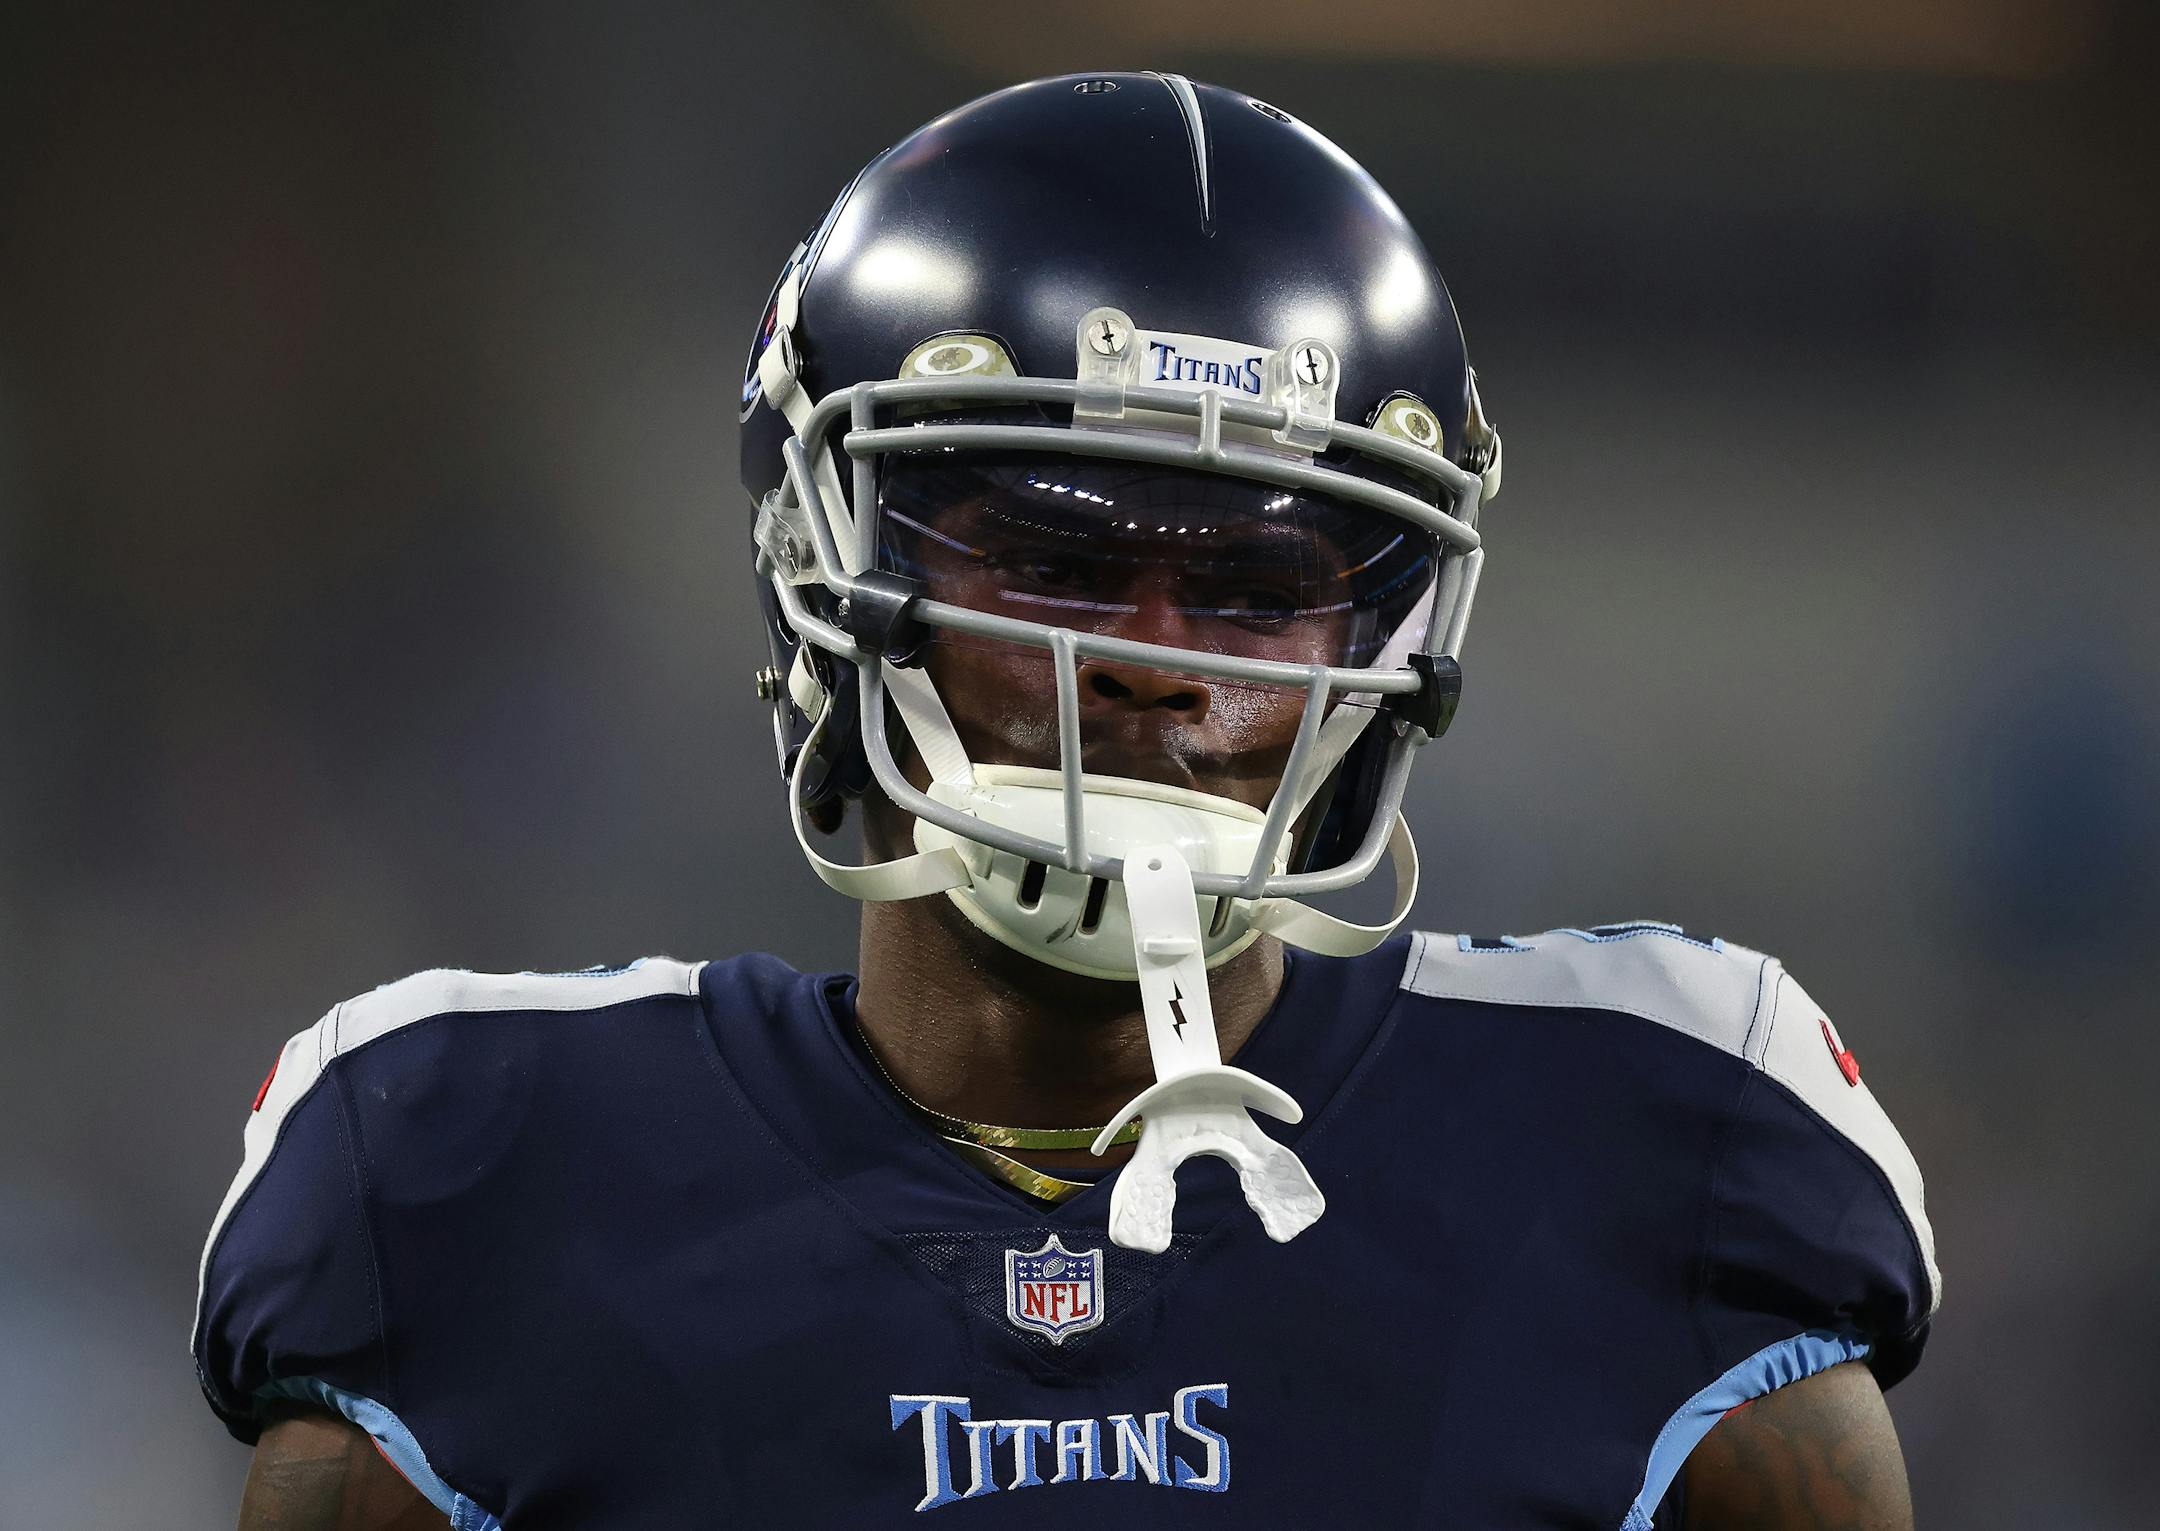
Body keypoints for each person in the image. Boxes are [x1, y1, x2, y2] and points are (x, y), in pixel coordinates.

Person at [195, 74, 1938, 1528]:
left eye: (1257, 590)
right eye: (1050, 563)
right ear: (826, 574)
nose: (1156, 662)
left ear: (1393, 635)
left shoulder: (1673, 1143)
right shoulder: (458, 1179)